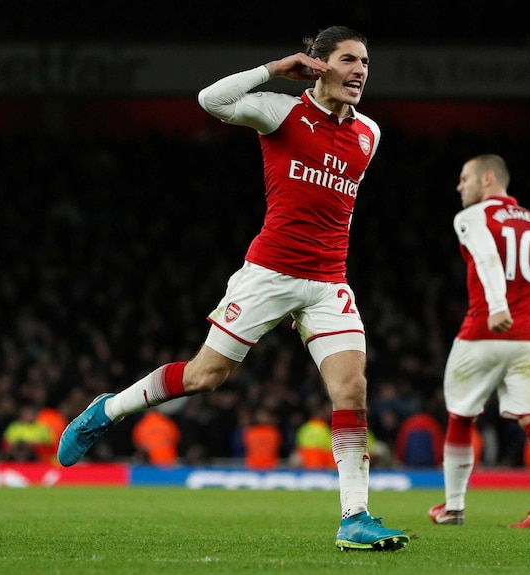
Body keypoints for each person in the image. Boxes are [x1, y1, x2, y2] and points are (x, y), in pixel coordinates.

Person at [56, 25, 408, 551]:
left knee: (351, 387)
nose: (360, 70)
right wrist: (274, 69)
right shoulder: (280, 111)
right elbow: (210, 99)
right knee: (205, 377)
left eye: (365, 62)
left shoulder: (369, 134)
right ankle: (108, 410)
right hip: (269, 274)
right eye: (348, 59)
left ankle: (354, 517)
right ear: (318, 64)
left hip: (329, 281)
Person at [428, 154, 530, 529]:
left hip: (482, 333)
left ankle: (454, 508)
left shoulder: (472, 217)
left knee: (461, 418)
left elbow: (488, 257)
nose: (460, 187)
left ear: (488, 179)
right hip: (529, 340)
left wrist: (496, 307)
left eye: (465, 178)